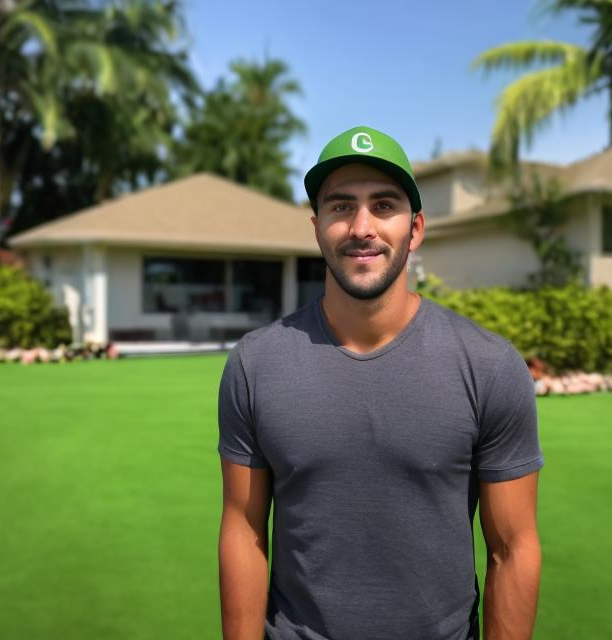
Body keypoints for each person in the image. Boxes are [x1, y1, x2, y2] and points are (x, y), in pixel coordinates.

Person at [217, 125, 544, 640]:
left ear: (415, 229)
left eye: (384, 206)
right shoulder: (256, 364)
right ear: (317, 226)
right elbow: (243, 529)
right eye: (341, 206)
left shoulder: (489, 366)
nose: (361, 227)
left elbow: (513, 548)